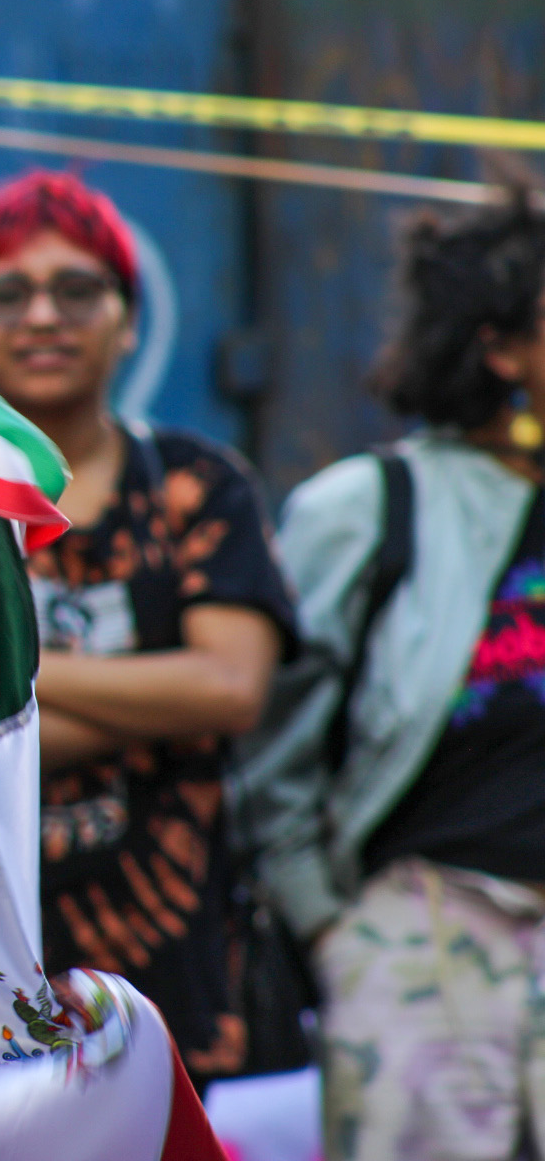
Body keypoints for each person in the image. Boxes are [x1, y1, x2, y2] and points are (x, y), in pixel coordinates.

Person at [0, 170, 293, 1087]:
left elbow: (228, 689)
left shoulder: (192, 483)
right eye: (8, 292)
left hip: (171, 965)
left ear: (129, 320)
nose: (42, 316)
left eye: (78, 289)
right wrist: (157, 695)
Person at [241, 199, 545, 1161]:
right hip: (426, 939)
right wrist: (333, 930)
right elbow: (267, 747)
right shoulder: (368, 509)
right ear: (502, 351)